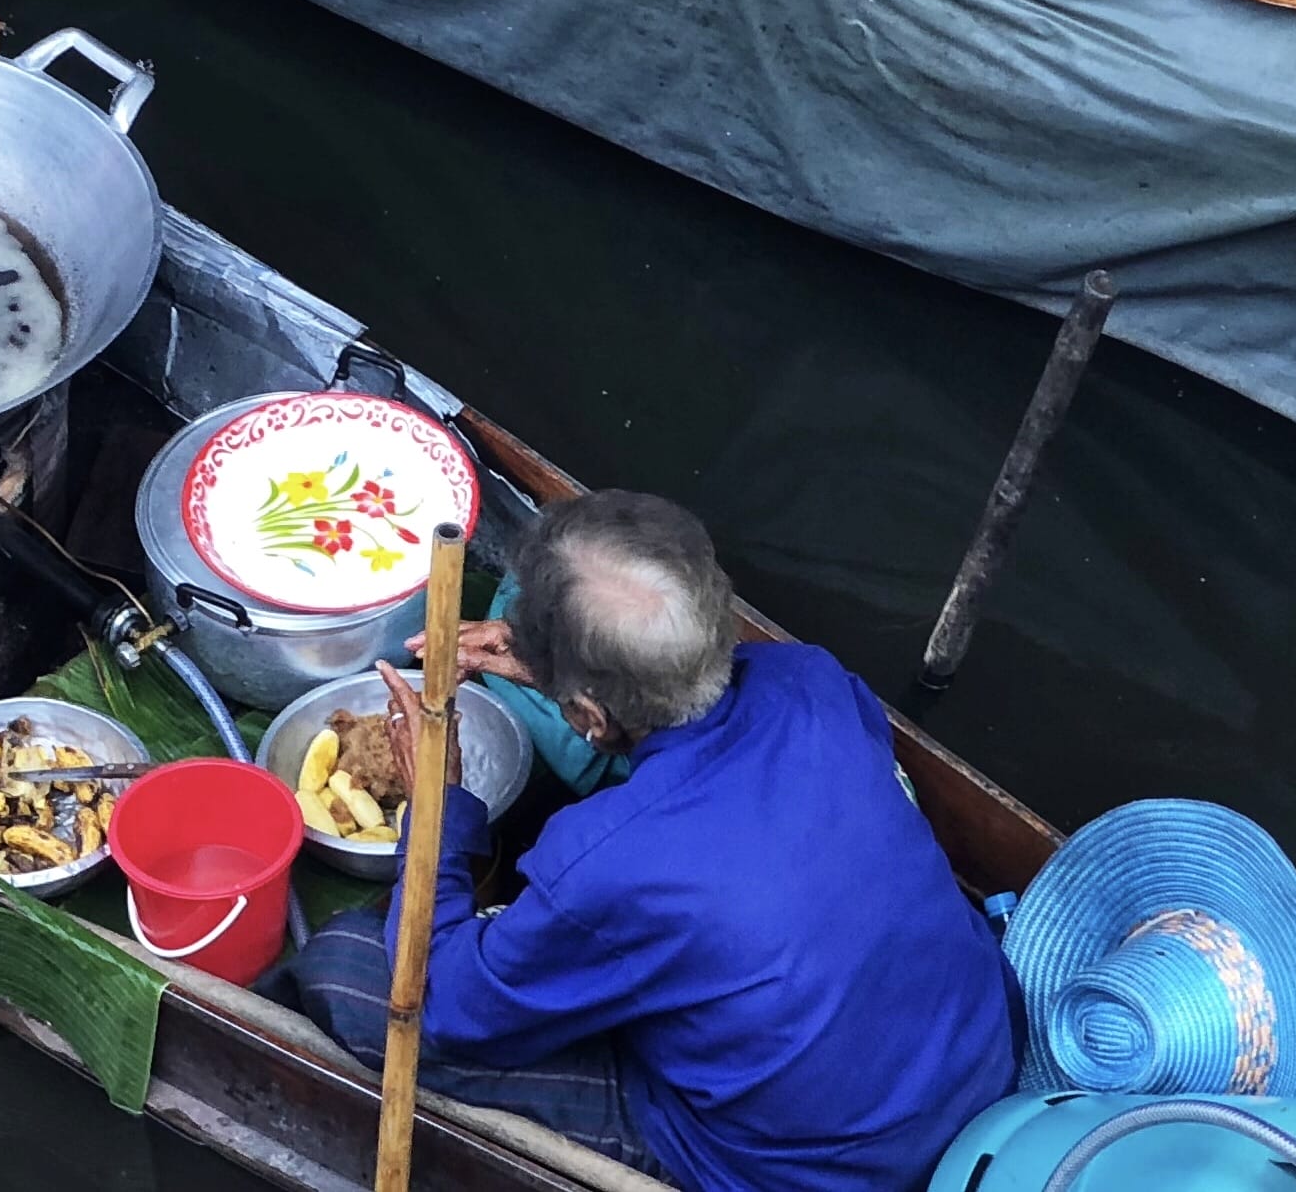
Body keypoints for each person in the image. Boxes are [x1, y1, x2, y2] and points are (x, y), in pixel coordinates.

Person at [283, 490, 1016, 1192]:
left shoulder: (608, 861)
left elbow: (449, 1007)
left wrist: (436, 810)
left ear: (588, 717)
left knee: (345, 971)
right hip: (975, 1051)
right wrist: (563, 673)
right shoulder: (813, 679)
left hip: (818, 1170)